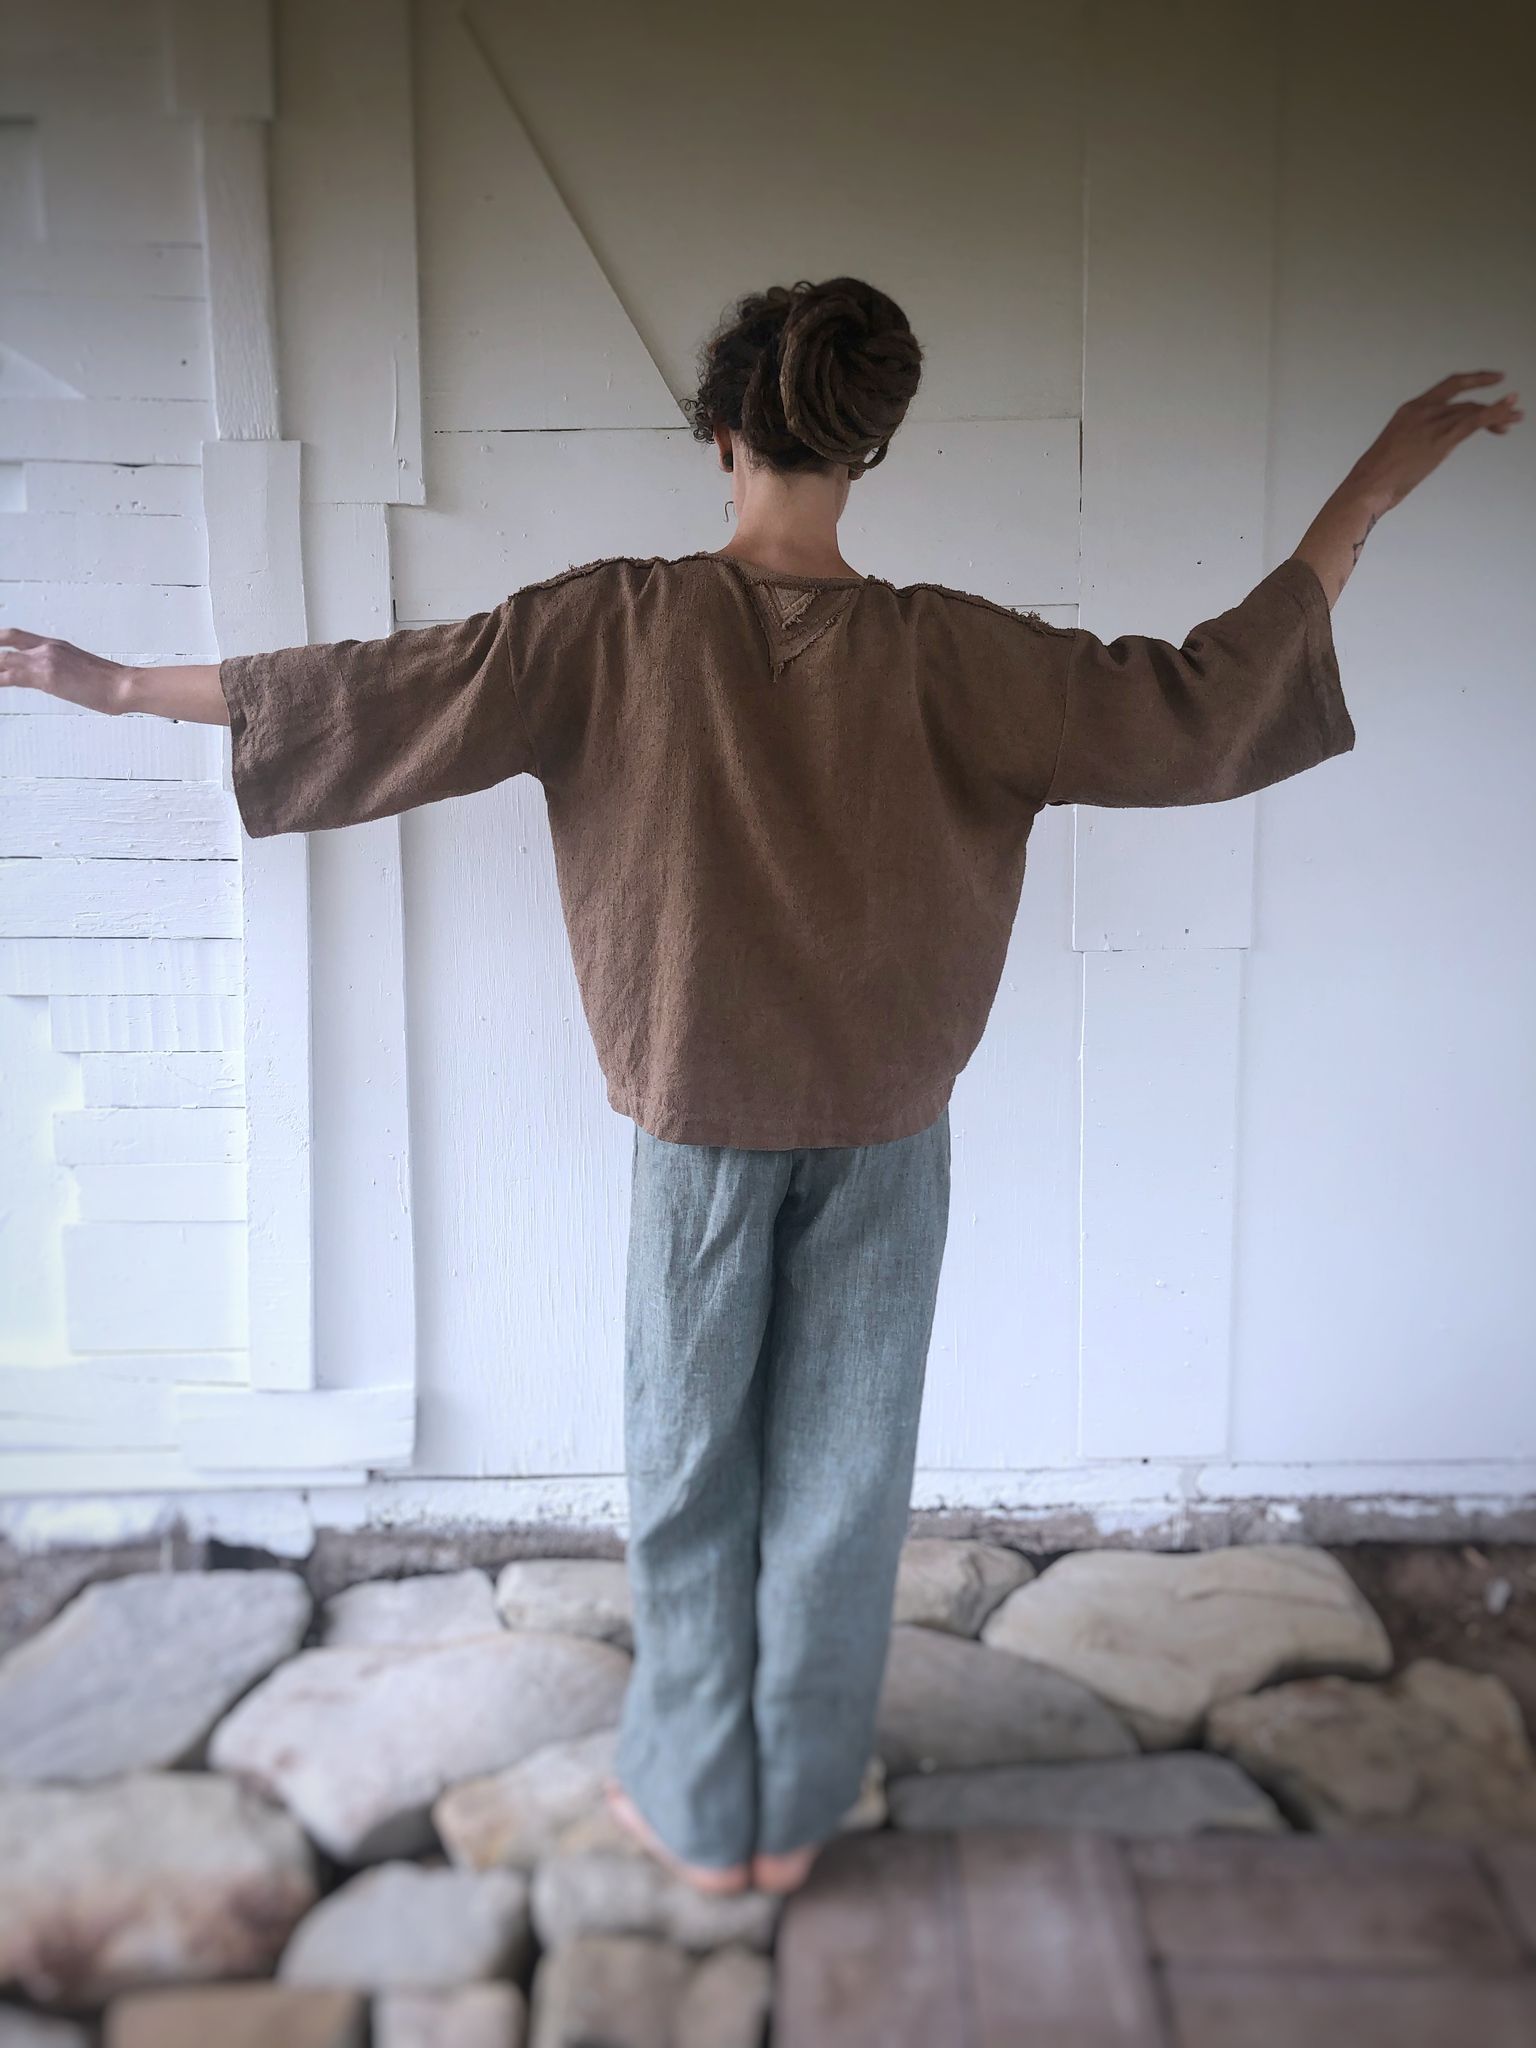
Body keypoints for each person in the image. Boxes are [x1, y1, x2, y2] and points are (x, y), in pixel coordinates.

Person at [0, 277, 1520, 1899]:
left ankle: (697, 1807)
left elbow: (384, 689)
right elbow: (1201, 702)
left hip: (699, 1136)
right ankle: (789, 1814)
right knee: (844, 1491)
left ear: (721, 436)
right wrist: (1367, 491)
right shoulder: (958, 655)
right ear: (865, 450)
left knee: (689, 1482)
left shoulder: (611, 624)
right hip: (890, 1130)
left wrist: (109, 686)